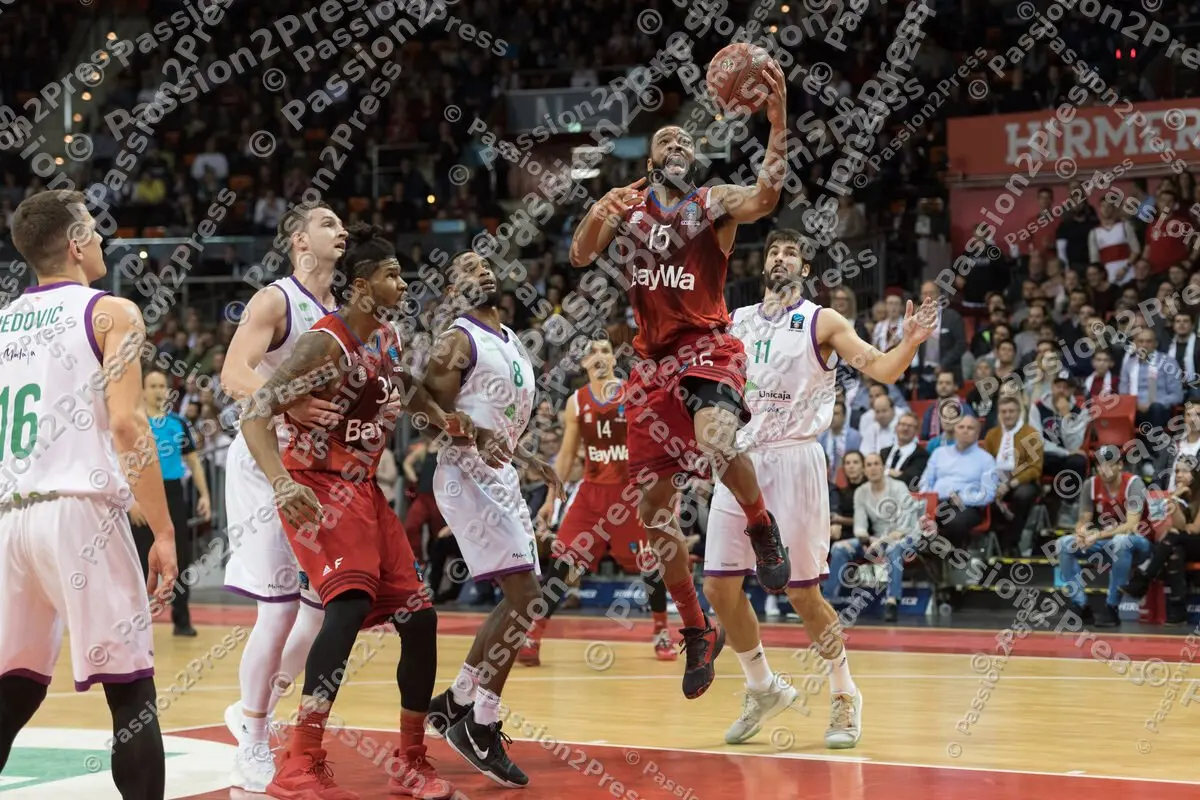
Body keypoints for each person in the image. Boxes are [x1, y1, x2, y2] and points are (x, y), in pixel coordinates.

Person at [567, 62, 794, 700]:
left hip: (707, 347)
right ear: (649, 155)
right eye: (667, 141)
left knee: (719, 439)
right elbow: (581, 254)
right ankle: (696, 631)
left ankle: (759, 522)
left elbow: (765, 198)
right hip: (651, 367)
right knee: (654, 516)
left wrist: (778, 125)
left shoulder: (711, 202)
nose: (679, 147)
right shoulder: (628, 208)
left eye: (687, 143)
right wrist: (595, 212)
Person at [242, 224, 471, 800]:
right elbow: (254, 412)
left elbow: (407, 387)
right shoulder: (327, 342)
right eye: (392, 274)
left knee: (420, 619)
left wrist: (443, 419)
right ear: (364, 286)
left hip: (364, 491)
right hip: (315, 485)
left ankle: (411, 760)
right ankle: (300, 760)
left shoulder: (387, 336)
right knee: (346, 606)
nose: (402, 282)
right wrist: (277, 482)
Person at [699, 229, 937, 750]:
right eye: (774, 252)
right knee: (718, 587)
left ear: (805, 269)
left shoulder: (822, 321)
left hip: (795, 461)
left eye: (791, 253)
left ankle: (845, 693)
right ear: (763, 265)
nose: (781, 258)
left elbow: (881, 367)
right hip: (739, 462)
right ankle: (762, 687)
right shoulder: (733, 321)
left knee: (803, 593)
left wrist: (910, 342)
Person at [0, 190, 178, 798]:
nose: (103, 240)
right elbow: (129, 425)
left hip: (10, 517)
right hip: (79, 515)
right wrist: (164, 528)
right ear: (75, 244)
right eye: (95, 232)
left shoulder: (3, 321)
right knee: (132, 691)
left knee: (15, 686)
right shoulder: (112, 312)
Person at [422, 251, 561, 788]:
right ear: (453, 287)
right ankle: (480, 724)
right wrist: (473, 438)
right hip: (466, 475)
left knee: (520, 597)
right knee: (527, 598)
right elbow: (424, 409)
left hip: (501, 474)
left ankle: (454, 700)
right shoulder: (456, 339)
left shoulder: (512, 339)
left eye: (484, 264)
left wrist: (527, 458)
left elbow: (497, 420)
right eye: (465, 268)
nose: (479, 271)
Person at [220, 201, 345, 790]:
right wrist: (288, 398)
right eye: (327, 222)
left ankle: (258, 704)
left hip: (315, 466)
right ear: (299, 240)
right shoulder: (276, 299)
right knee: (278, 608)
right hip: (263, 461)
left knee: (325, 604)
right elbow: (233, 373)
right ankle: (252, 737)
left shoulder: (338, 313)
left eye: (340, 224)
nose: (340, 229)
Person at [518, 338, 676, 666]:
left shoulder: (633, 393)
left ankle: (661, 631)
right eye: (593, 352)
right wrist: (550, 499)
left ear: (614, 358)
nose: (601, 356)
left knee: (650, 565)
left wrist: (663, 494)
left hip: (630, 494)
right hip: (591, 495)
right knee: (561, 564)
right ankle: (533, 637)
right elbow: (566, 455)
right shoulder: (576, 403)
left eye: (606, 349)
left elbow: (653, 443)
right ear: (584, 364)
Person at [129, 369, 211, 637]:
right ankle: (137, 622)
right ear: (141, 390)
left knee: (180, 559)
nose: (157, 390)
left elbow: (194, 461)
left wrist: (205, 496)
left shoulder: (178, 422)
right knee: (139, 559)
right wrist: (131, 501)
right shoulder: (134, 422)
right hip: (142, 495)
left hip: (173, 494)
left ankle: (182, 620)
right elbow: (122, 465)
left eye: (161, 385)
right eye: (152, 385)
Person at [1055, 446, 1153, 628]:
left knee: (1121, 541)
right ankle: (1080, 605)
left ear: (1120, 465)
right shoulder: (1090, 485)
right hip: (1107, 542)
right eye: (1100, 465)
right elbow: (1083, 519)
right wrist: (1081, 533)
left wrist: (1097, 535)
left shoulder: (1134, 483)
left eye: (1109, 464)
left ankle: (1112, 607)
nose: (1104, 469)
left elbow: (1131, 526)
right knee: (1064, 544)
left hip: (1140, 544)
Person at [824, 453, 924, 622]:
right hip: (876, 539)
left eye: (876, 464)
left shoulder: (899, 487)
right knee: (839, 547)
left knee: (894, 548)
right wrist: (865, 540)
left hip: (905, 537)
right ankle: (827, 602)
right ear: (864, 469)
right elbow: (860, 526)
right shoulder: (861, 492)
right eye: (869, 465)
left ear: (883, 467)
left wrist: (879, 541)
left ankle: (892, 601)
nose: (873, 468)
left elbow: (904, 527)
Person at [1121, 458, 1199, 624]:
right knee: (1175, 550)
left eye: (1185, 471)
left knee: (1173, 537)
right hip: (1185, 543)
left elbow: (1194, 529)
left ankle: (1143, 580)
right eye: (1177, 471)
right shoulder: (1175, 495)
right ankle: (1178, 610)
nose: (1179, 475)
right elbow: (1180, 525)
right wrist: (1174, 500)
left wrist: (1176, 530)